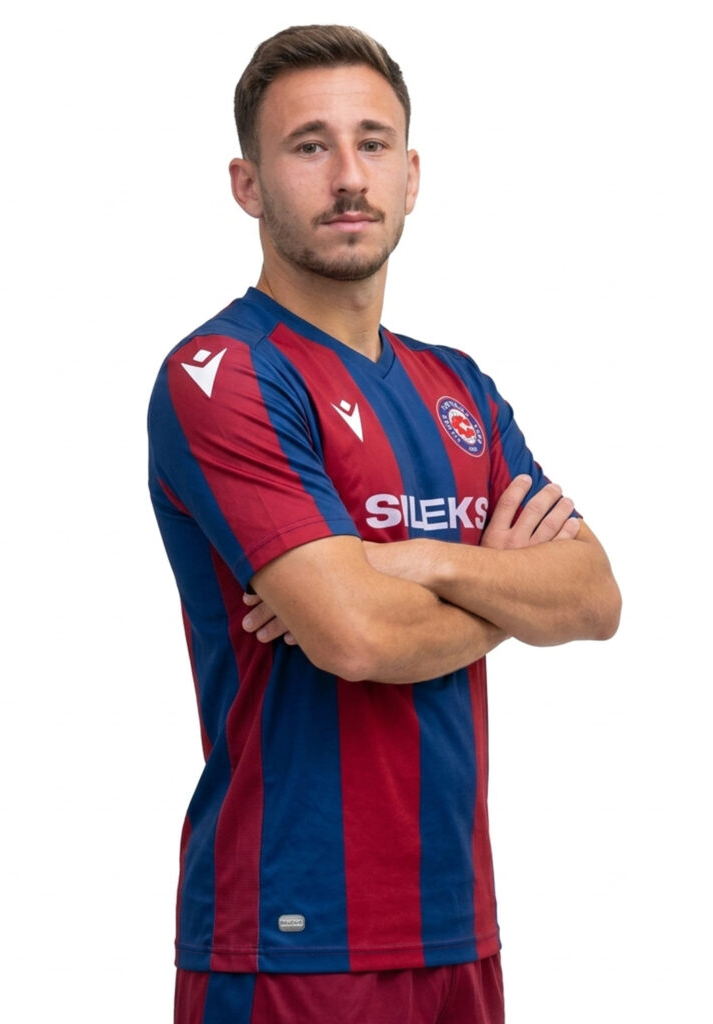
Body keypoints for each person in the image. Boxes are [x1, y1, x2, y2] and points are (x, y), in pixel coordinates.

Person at [148, 24, 621, 1024]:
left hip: (459, 926)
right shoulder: (224, 374)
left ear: (412, 175)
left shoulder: (461, 387)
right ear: (247, 184)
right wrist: (502, 590)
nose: (348, 176)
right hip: (291, 938)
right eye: (309, 146)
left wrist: (416, 561)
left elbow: (592, 598)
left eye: (372, 143)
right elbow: (356, 637)